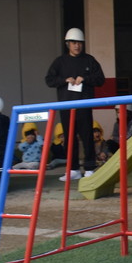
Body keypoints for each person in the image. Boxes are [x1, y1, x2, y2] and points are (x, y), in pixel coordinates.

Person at [44, 28, 106, 181]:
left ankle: (89, 168)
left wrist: (85, 78)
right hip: (66, 106)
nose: (77, 46)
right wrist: (64, 80)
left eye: (79, 43)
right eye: (73, 43)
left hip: (84, 105)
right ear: (68, 44)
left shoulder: (89, 60)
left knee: (87, 137)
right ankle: (73, 169)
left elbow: (100, 79)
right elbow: (49, 80)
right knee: (70, 137)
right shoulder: (60, 62)